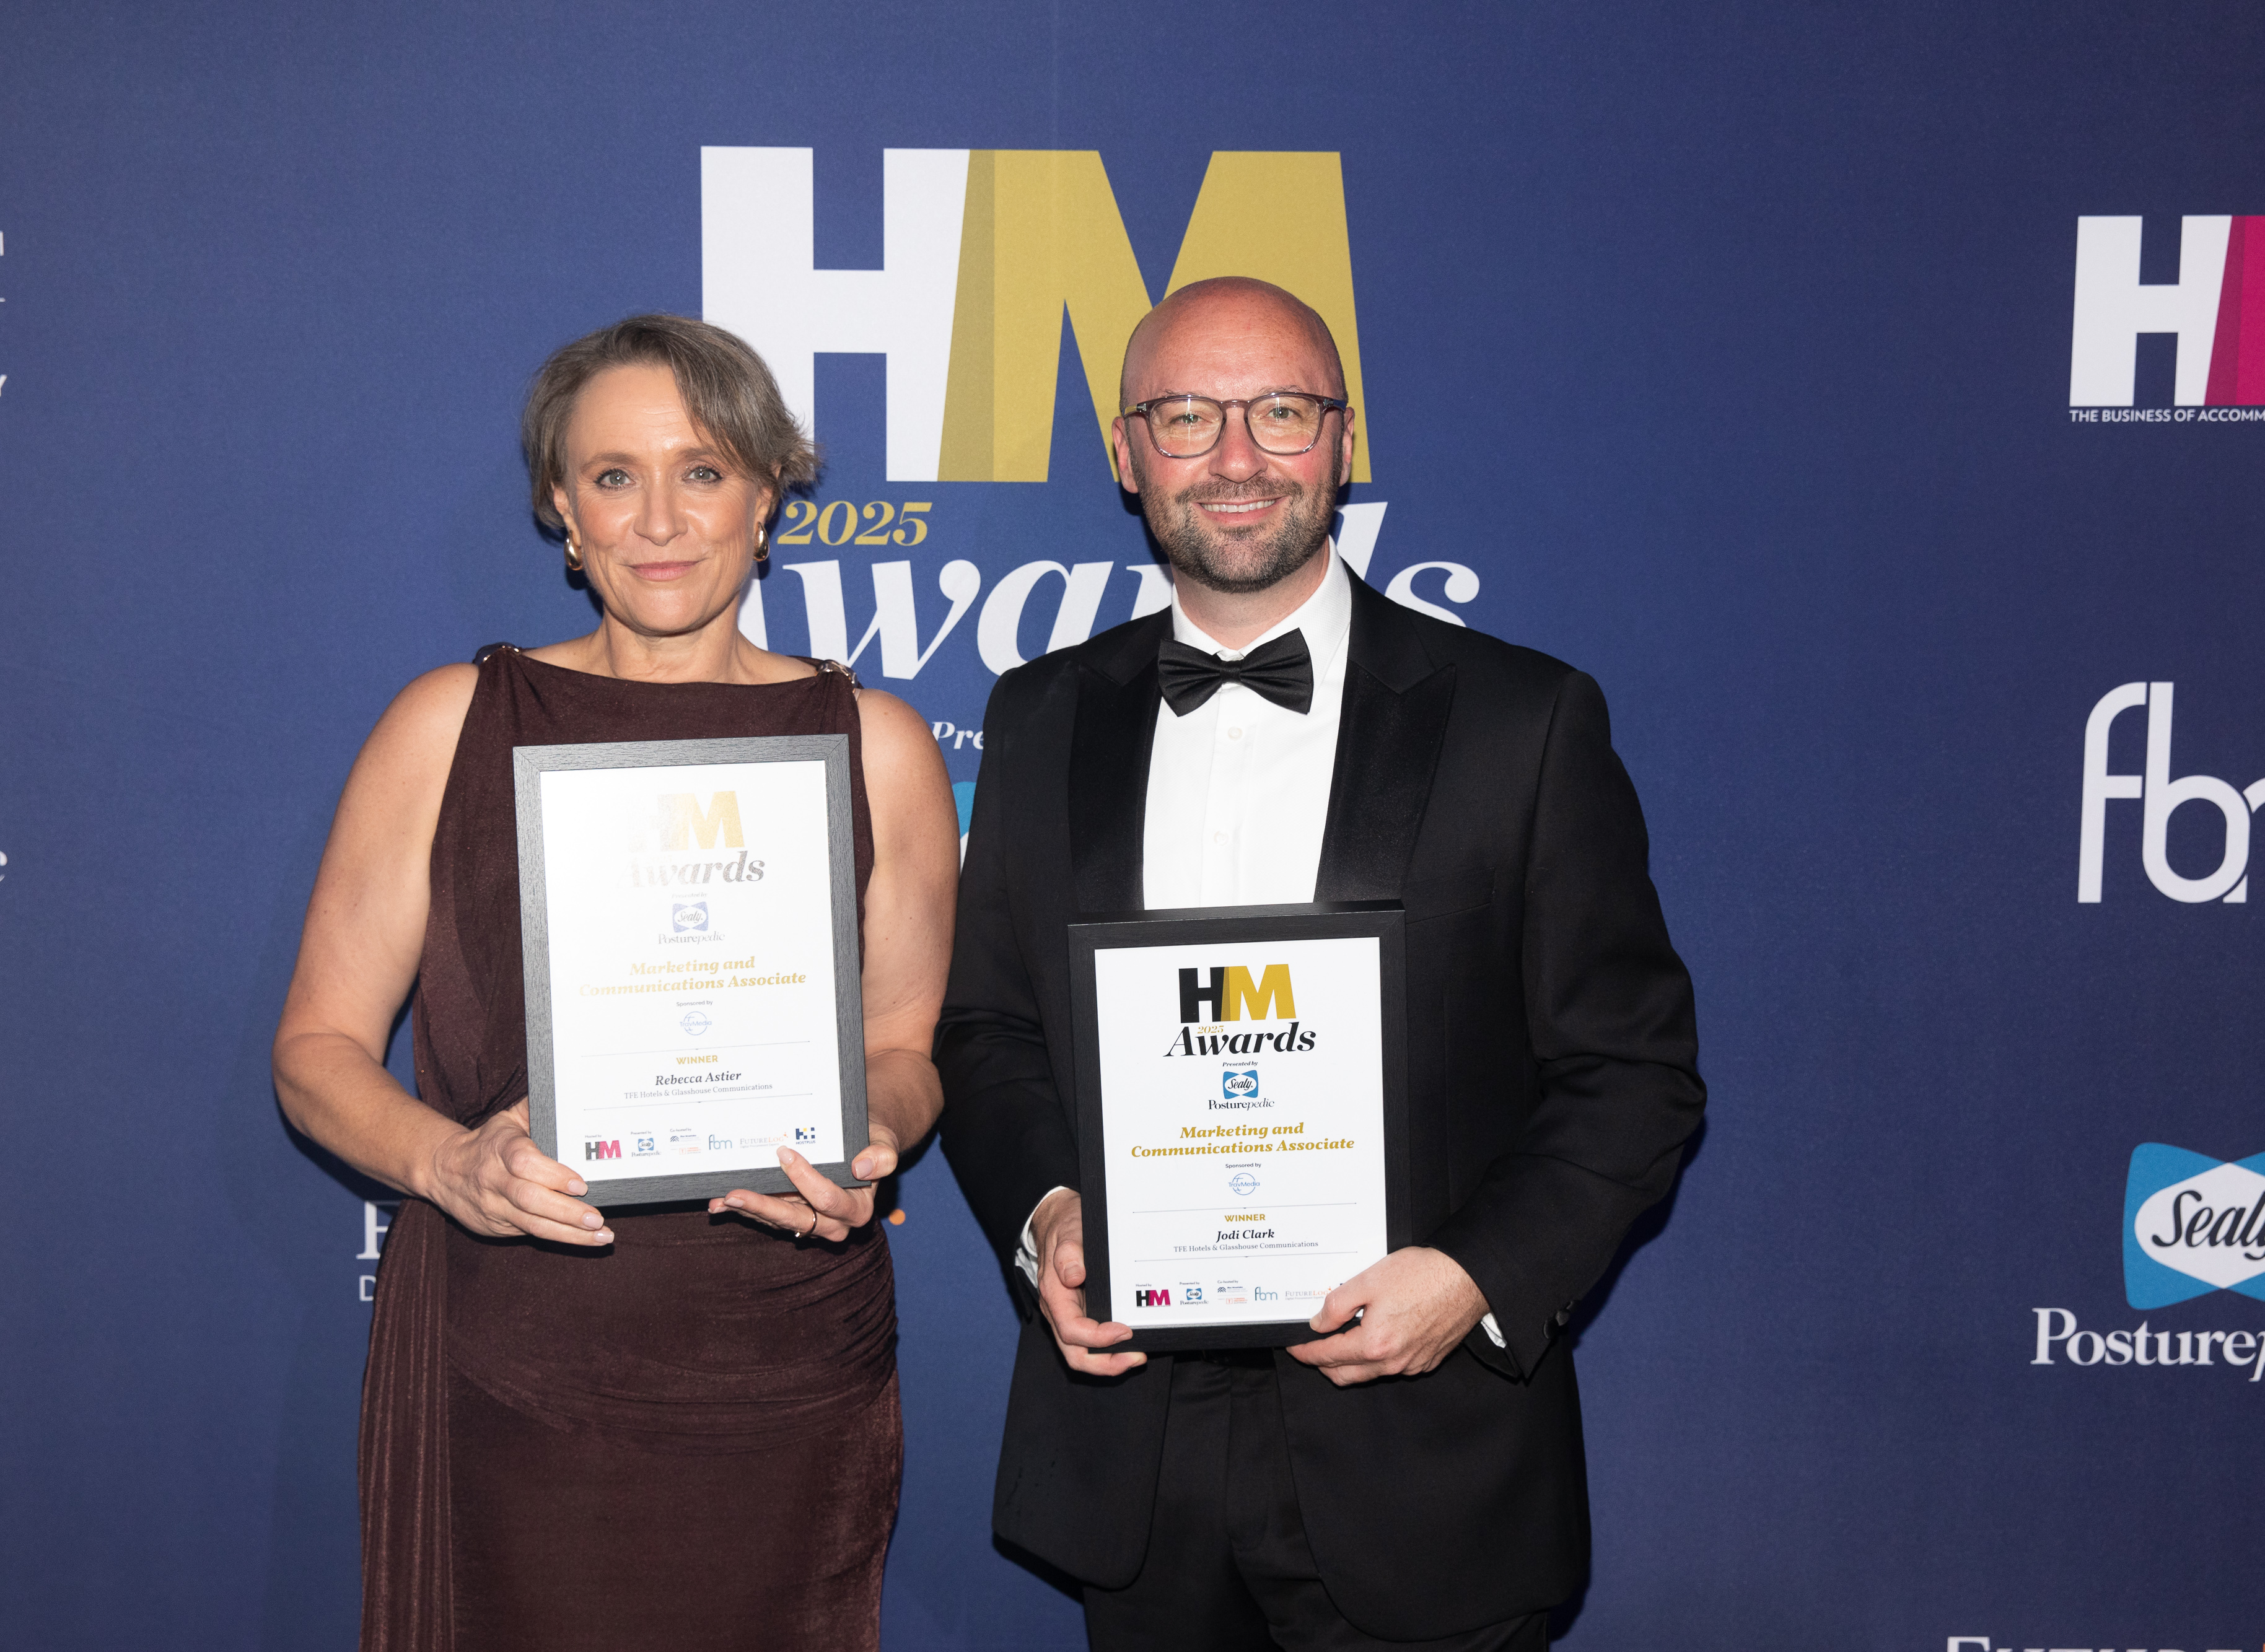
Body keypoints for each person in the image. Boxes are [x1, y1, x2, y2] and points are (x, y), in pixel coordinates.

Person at [935, 277, 1704, 1651]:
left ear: (1343, 439)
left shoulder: (1522, 720)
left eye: (1281, 411)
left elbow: (1631, 1074)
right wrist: (1049, 1213)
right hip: (1134, 1458)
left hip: (1426, 1461)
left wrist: (1470, 1277)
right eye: (1187, 415)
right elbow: (988, 1026)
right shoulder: (1042, 715)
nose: (1236, 456)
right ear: (1125, 453)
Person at [272, 314, 958, 1652]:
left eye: (702, 472)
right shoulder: (449, 725)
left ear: (768, 496)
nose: (659, 519)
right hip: (510, 1364)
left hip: (785, 1368)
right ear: (561, 509)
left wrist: (871, 1132)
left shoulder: (874, 744)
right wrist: (447, 1162)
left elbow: (904, 1044)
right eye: (612, 476)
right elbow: (315, 1050)